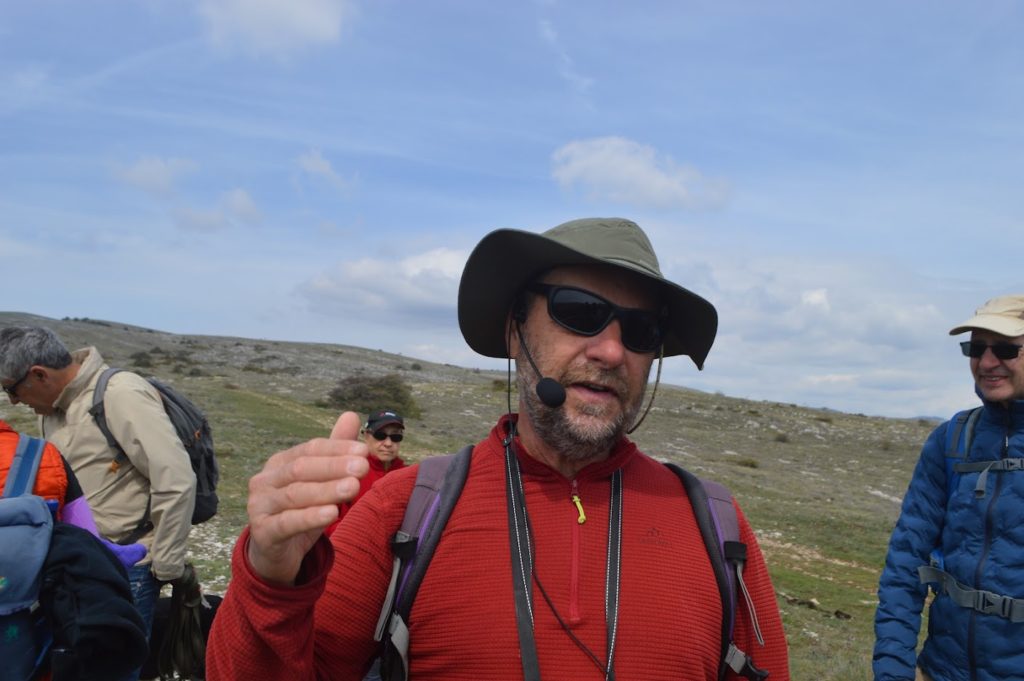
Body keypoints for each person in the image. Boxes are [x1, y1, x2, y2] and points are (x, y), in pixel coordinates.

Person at [207, 217, 790, 680]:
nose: (612, 351)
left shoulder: (717, 526)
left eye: (641, 332)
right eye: (580, 312)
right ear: (516, 330)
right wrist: (270, 580)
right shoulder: (403, 511)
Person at [0, 327, 197, 681]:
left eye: (11, 389)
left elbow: (175, 478)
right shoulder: (51, 408)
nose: (13, 402)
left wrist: (165, 563)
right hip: (74, 567)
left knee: (114, 669)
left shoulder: (121, 394)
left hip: (128, 567)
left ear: (39, 375)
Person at [874, 294, 1024, 681]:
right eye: (976, 348)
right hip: (941, 671)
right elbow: (905, 565)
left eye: (1005, 349)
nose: (987, 362)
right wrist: (892, 670)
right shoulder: (952, 439)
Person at [324, 409, 407, 536]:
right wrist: (350, 537)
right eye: (380, 435)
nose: (388, 443)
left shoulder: (407, 477)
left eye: (395, 437)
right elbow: (325, 518)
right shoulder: (349, 470)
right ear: (366, 436)